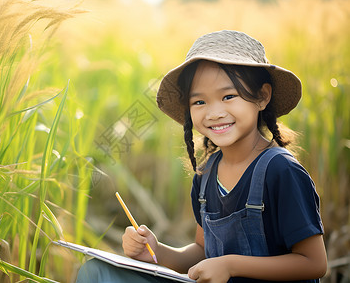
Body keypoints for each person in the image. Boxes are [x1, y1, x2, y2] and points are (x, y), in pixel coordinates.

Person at [76, 30, 327, 282]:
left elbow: (314, 263)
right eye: (199, 102)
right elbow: (201, 252)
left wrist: (230, 266)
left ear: (262, 96)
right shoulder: (207, 175)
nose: (214, 113)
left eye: (228, 96)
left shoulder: (282, 171)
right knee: (96, 271)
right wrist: (154, 250)